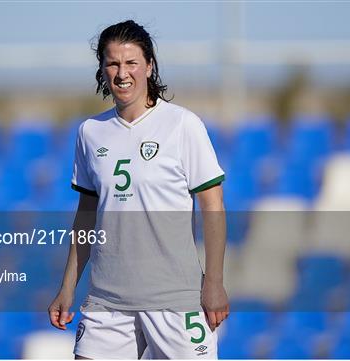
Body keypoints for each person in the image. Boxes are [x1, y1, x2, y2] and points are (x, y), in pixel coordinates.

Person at [48, 20, 229, 359]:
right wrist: (67, 287)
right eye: (112, 63)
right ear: (102, 69)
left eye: (131, 62)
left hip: (175, 300)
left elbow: (213, 206)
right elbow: (86, 218)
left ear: (149, 65)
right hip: (107, 301)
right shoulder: (90, 132)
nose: (122, 73)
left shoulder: (182, 124)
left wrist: (214, 283)